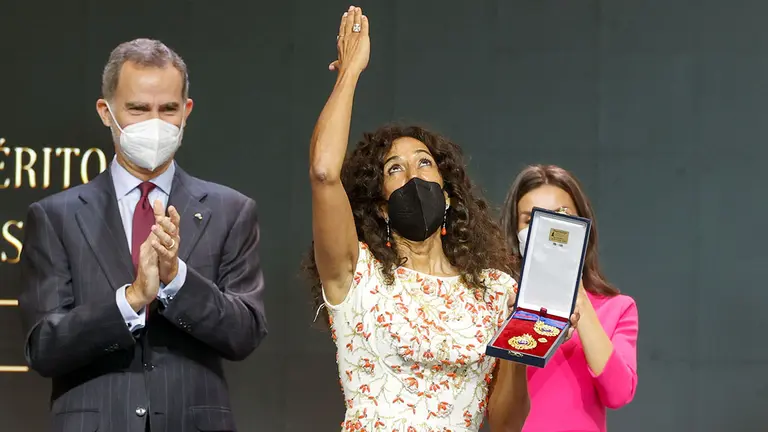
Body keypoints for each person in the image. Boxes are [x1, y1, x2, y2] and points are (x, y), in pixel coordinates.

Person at [305, 7, 577, 431]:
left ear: (448, 196)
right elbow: (324, 172)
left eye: (424, 163)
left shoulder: (494, 291)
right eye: (394, 169)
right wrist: (351, 73)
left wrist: (524, 337)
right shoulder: (356, 273)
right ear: (380, 205)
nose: (413, 175)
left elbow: (506, 425)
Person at [18, 38, 267, 432]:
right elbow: (44, 348)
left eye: (167, 109)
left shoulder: (230, 210)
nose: (154, 123)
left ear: (186, 111)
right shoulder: (55, 217)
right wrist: (132, 299)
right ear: (106, 111)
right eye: (137, 109)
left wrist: (177, 280)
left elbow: (245, 334)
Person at [500, 164, 638, 432]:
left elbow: (618, 394)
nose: (545, 229)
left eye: (560, 215)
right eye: (530, 220)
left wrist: (579, 299)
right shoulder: (500, 304)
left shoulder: (617, 309)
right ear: (515, 233)